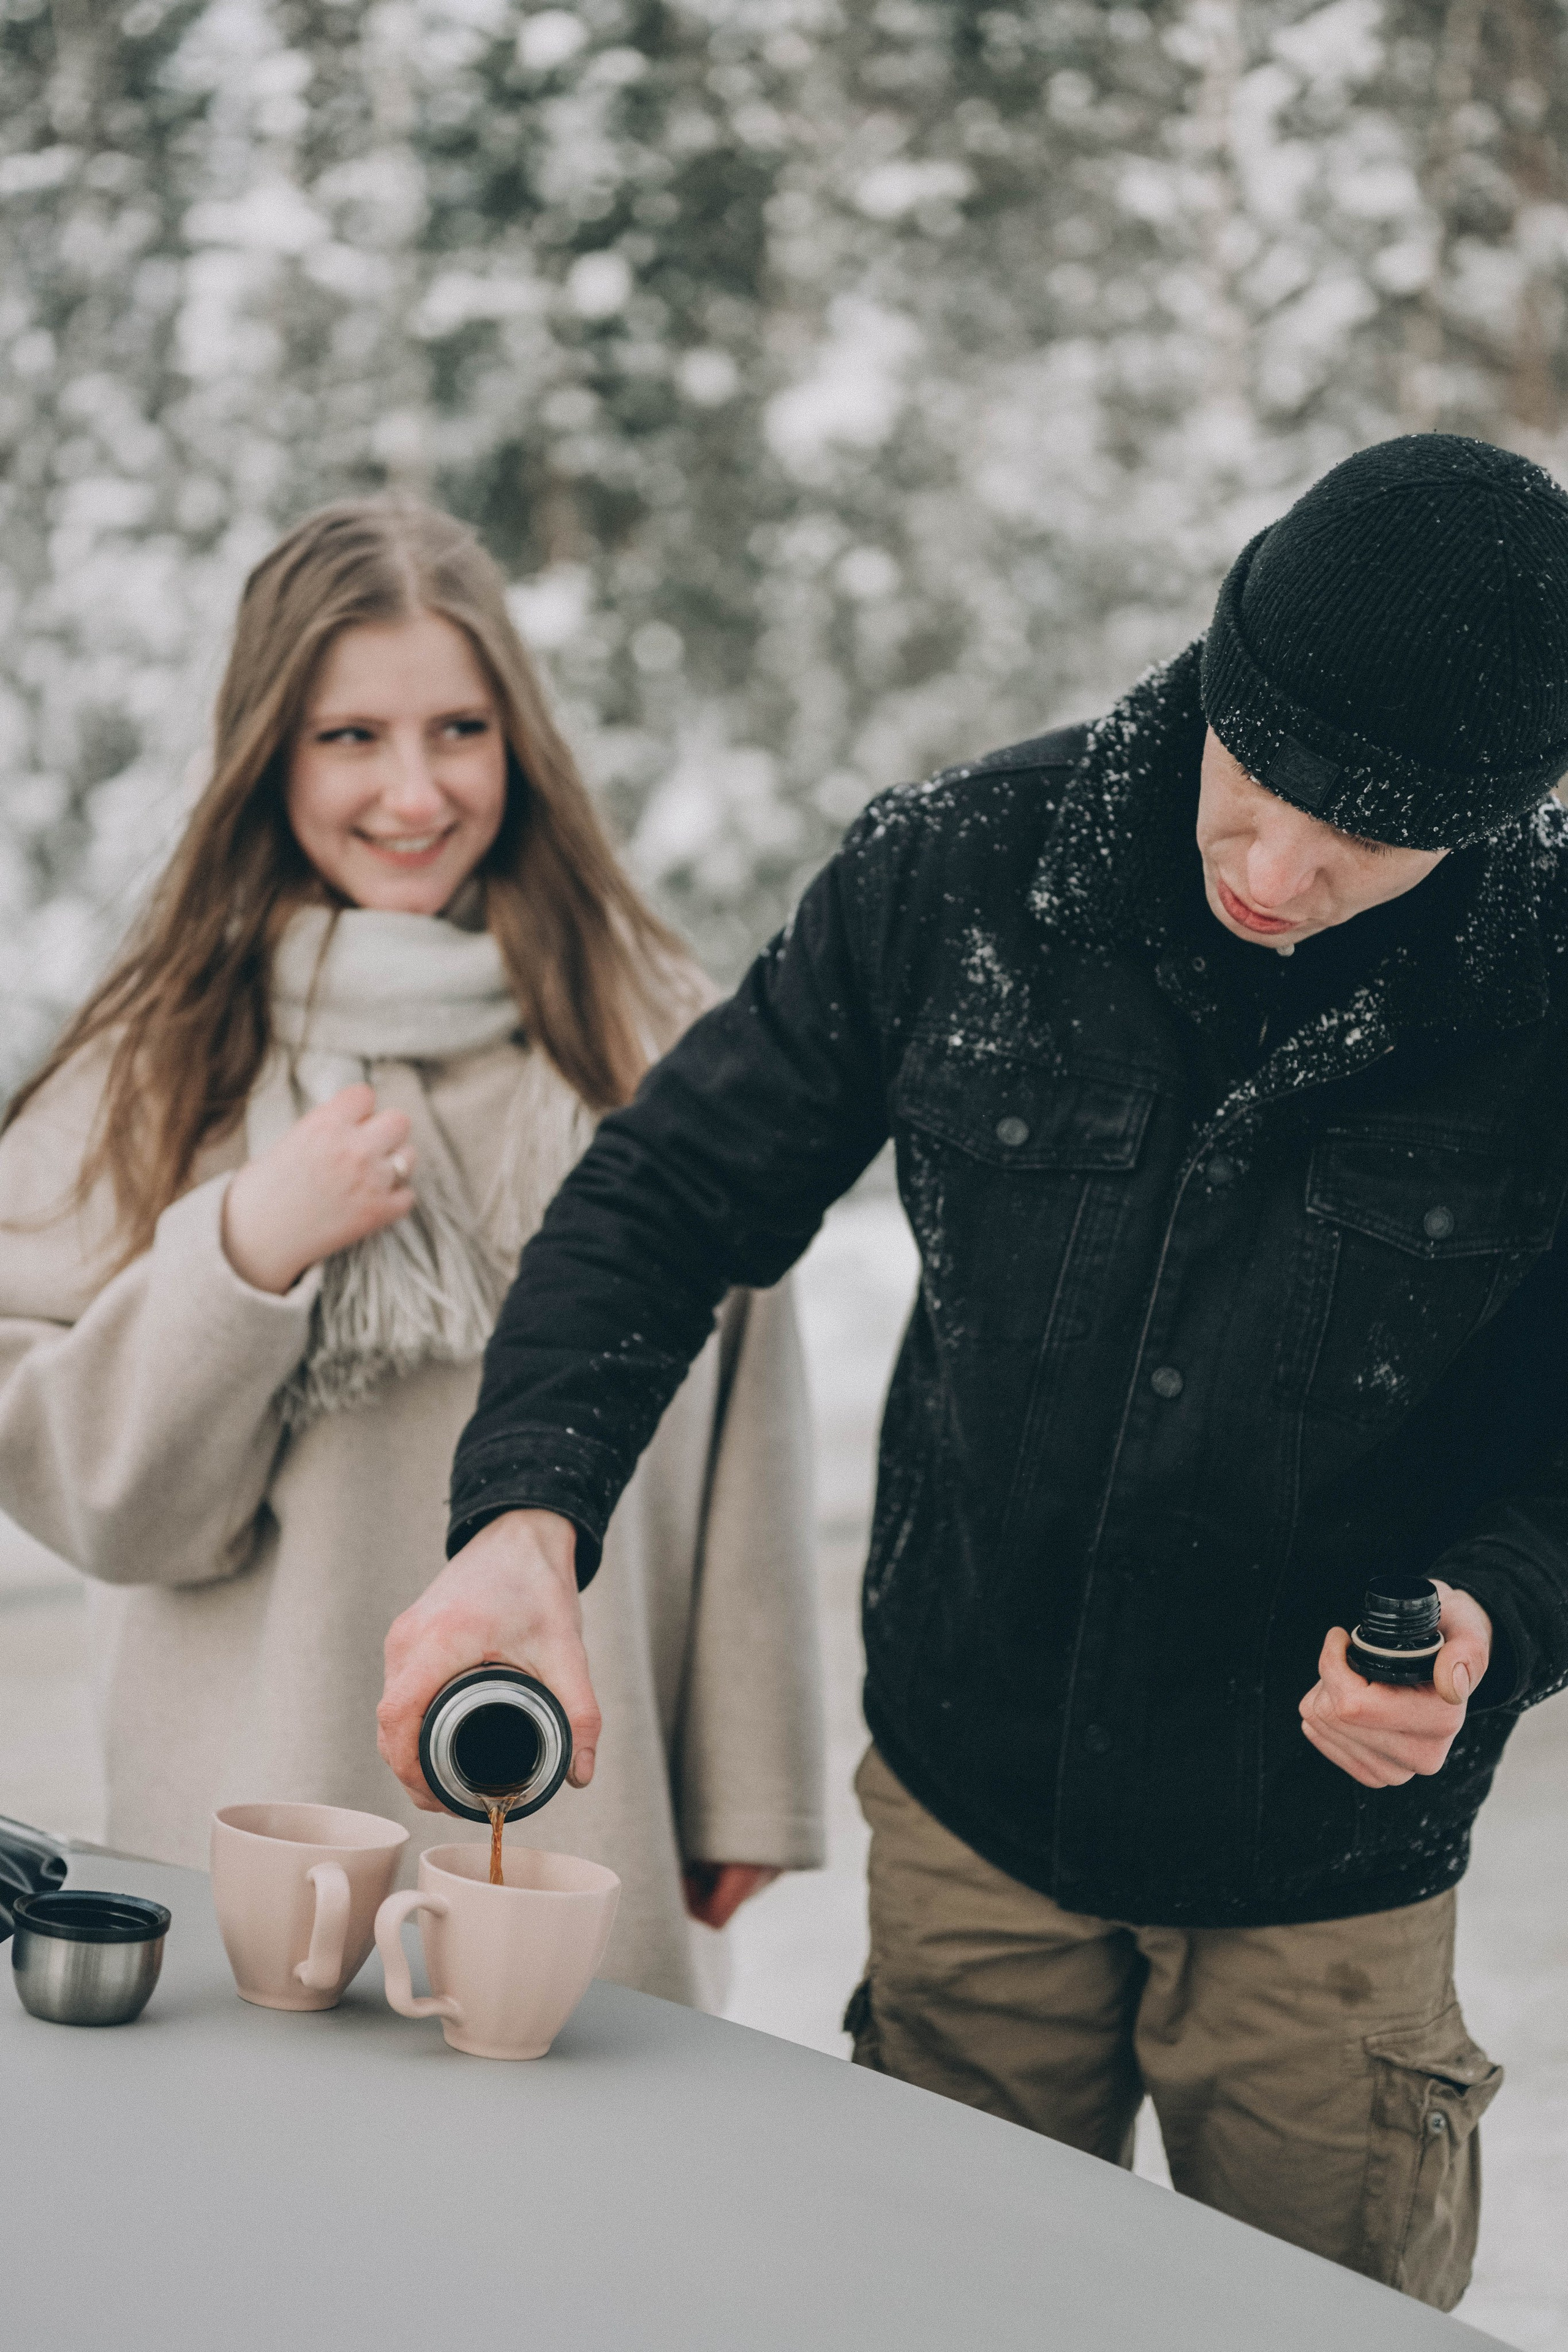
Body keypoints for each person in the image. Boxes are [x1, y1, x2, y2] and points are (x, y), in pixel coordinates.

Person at [377, 435, 1568, 2305]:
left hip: (1325, 1879)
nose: (1272, 866)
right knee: (931, 2319)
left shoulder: (1547, 998)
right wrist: (525, 1514)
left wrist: (1504, 1615)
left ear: (1491, 817)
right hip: (968, 1830)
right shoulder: (961, 872)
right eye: (1251, 783)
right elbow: (671, 1190)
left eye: (1364, 839)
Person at [0, 497, 824, 2008]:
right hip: (254, 1814)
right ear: (267, 751)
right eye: (349, 738)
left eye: (458, 728)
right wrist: (243, 1254)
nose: (413, 790)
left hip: (581, 1798)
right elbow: (79, 1488)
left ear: (520, 742)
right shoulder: (164, 1052)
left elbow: (749, 1410)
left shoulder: (641, 1025)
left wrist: (746, 1781)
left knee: (567, 2215)